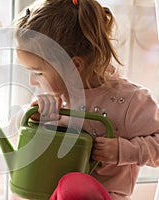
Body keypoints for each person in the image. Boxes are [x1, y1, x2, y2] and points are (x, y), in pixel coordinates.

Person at [13, 0, 159, 199]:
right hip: (48, 192)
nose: (32, 81)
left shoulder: (130, 102)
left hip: (103, 195)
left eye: (38, 73)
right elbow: (19, 135)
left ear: (73, 66)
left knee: (75, 186)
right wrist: (36, 119)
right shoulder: (54, 94)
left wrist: (124, 151)